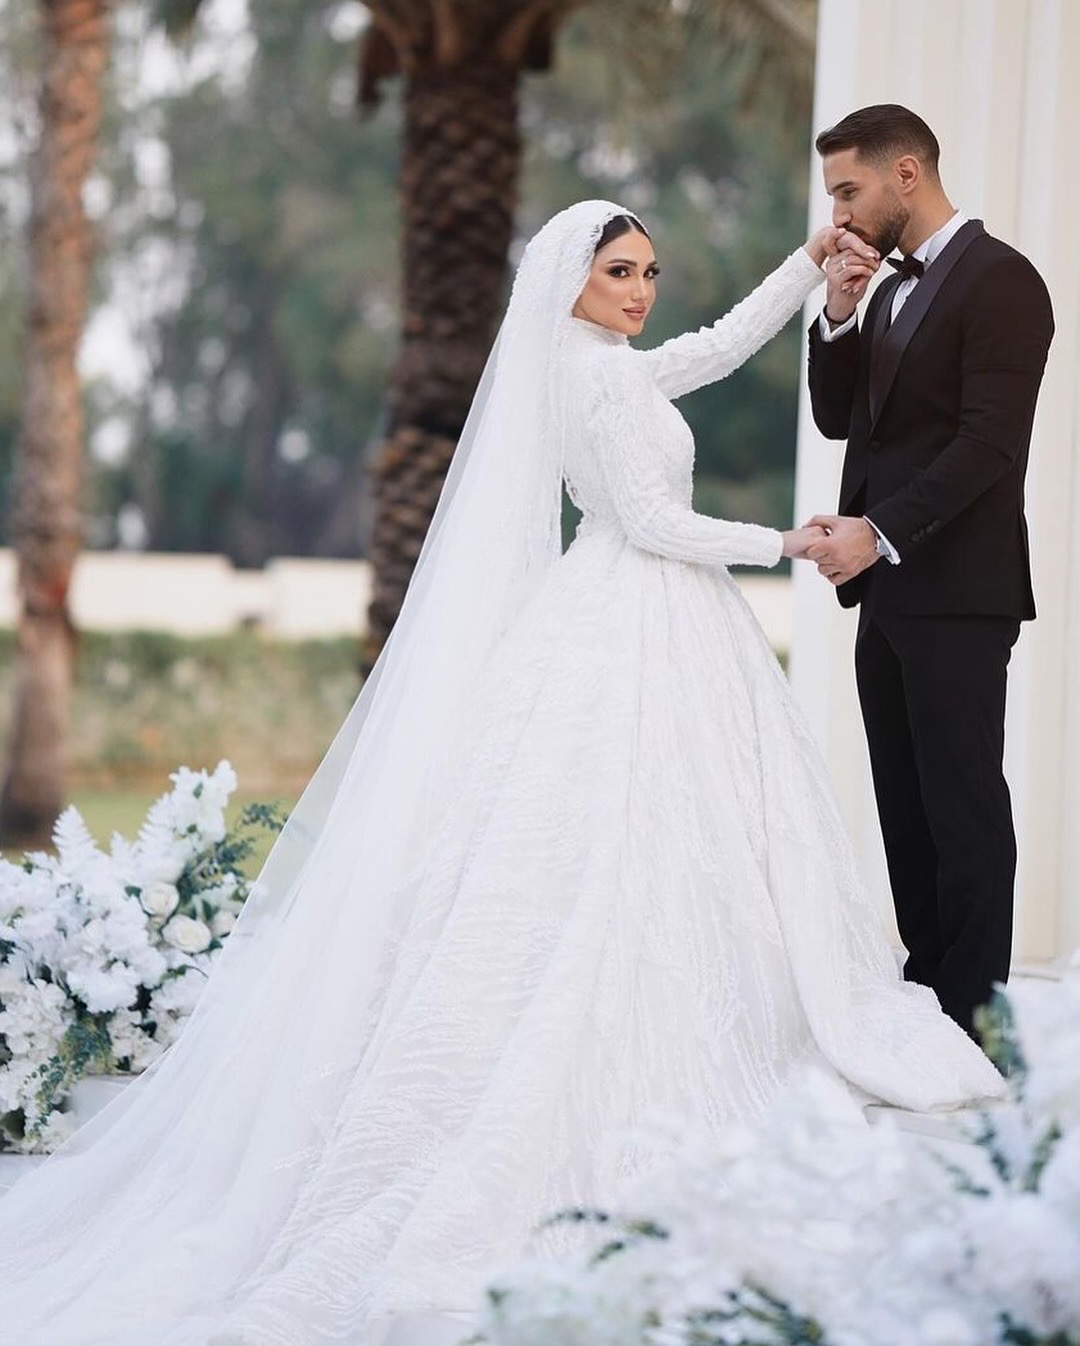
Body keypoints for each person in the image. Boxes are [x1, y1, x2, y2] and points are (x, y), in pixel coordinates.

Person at [0, 200, 1003, 1346]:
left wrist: (804, 264)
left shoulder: (604, 365)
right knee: (610, 838)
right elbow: (649, 521)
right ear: (570, 280)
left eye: (650, 270)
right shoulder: (590, 380)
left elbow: (718, 346)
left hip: (653, 618)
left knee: (682, 831)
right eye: (620, 270)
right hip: (635, 607)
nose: (641, 289)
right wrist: (780, 542)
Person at [804, 105, 1055, 1036]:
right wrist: (839, 313)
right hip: (888, 593)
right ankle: (927, 1001)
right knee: (904, 809)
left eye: (849, 191)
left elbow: (988, 445)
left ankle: (978, 1023)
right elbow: (841, 420)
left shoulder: (1004, 281)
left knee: (963, 810)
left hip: (959, 592)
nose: (838, 214)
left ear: (905, 174)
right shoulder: (881, 289)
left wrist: (875, 532)